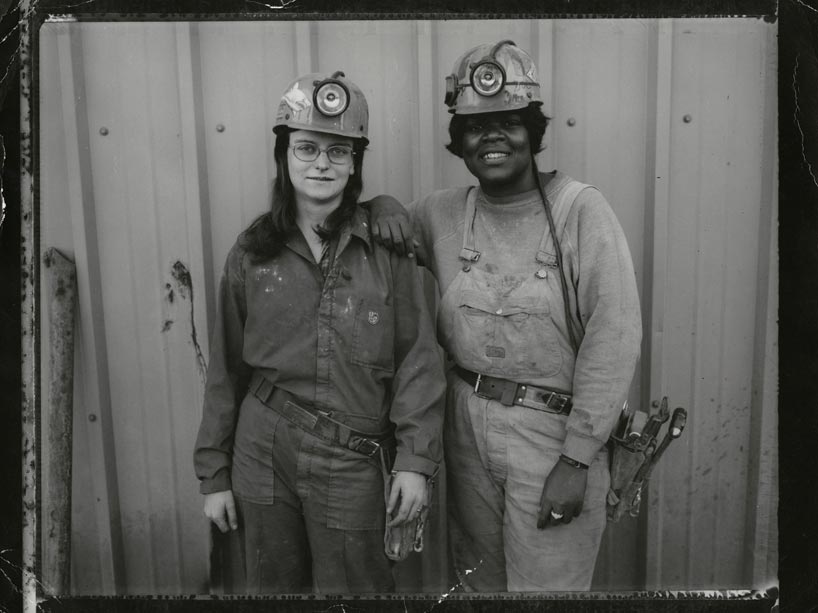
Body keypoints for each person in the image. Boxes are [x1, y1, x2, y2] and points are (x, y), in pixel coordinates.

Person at [368, 40, 642, 591]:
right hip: (466, 431)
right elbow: (370, 230)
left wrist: (578, 461)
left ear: (532, 132)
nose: (491, 136)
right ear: (459, 141)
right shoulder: (441, 213)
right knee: (478, 589)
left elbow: (613, 340)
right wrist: (379, 205)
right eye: (475, 126)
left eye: (508, 122)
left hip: (554, 439)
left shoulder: (581, 210)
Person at [193, 70, 445, 594]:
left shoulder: (390, 251)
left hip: (352, 460)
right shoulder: (252, 252)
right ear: (284, 156)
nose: (321, 164)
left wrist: (416, 463)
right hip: (262, 452)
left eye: (338, 151)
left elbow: (419, 362)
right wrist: (214, 474)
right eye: (306, 148)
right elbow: (225, 370)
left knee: (358, 593)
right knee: (272, 592)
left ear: (355, 163)